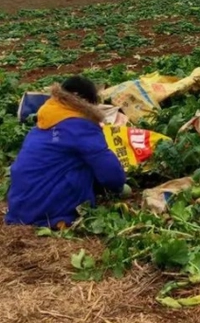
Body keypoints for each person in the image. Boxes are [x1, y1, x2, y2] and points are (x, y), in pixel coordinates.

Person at [6, 76, 126, 228]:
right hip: (45, 211)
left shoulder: (46, 118)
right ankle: (58, 214)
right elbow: (111, 173)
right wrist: (118, 187)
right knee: (89, 165)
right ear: (83, 101)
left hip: (20, 208)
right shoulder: (80, 126)